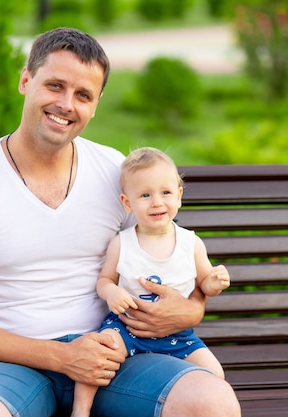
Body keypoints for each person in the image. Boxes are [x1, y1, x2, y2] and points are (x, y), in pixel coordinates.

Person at [0, 27, 241, 417]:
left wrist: (193, 309)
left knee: (213, 403)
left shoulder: (115, 174)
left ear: (96, 104)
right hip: (5, 361)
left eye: (83, 95)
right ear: (26, 80)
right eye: (55, 85)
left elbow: (166, 252)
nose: (66, 104)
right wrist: (62, 356)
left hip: (113, 353)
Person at [72, 147, 231, 417]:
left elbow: (204, 283)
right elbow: (105, 280)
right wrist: (111, 293)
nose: (157, 202)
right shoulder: (122, 243)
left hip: (177, 335)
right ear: (127, 203)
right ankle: (81, 409)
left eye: (165, 192)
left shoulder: (190, 243)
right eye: (145, 195)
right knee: (99, 351)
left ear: (179, 196)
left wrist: (214, 282)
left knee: (215, 372)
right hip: (126, 328)